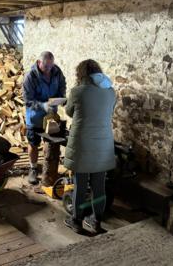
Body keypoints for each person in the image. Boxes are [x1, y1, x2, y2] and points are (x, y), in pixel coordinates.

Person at [63, 59, 116, 234]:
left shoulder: (78, 92)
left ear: (82, 73)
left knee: (80, 184)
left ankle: (76, 220)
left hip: (83, 143)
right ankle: (96, 221)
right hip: (103, 144)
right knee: (99, 185)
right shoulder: (110, 92)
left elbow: (69, 111)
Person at [23, 51, 66, 185]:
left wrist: (58, 100)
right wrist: (42, 105)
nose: (49, 70)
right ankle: (33, 168)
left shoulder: (56, 72)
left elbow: (62, 86)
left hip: (51, 115)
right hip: (35, 117)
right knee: (33, 144)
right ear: (38, 62)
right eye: (46, 67)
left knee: (52, 142)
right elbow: (28, 100)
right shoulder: (30, 77)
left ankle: (50, 171)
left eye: (51, 67)